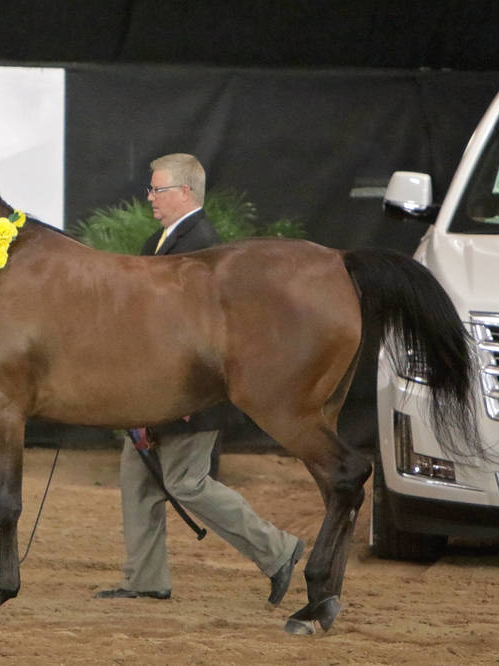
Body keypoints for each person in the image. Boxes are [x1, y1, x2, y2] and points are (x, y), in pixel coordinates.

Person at [95, 153, 304, 605]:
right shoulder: (159, 242)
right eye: (151, 189)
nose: (150, 198)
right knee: (138, 478)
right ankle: (145, 579)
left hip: (189, 396)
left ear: (185, 192)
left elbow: (200, 333)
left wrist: (179, 397)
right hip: (155, 393)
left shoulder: (202, 247)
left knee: (186, 482)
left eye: (158, 190)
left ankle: (278, 550)